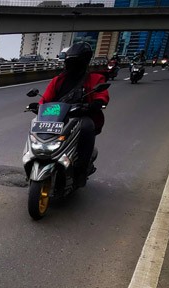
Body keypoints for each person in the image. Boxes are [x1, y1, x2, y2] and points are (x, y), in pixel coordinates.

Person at [39, 42, 109, 187]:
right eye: (69, 62)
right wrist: (38, 106)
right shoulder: (58, 80)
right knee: (37, 127)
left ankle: (80, 171)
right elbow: (45, 99)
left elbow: (102, 96)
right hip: (58, 116)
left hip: (82, 116)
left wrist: (94, 105)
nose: (71, 66)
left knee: (87, 128)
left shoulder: (94, 79)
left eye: (75, 62)